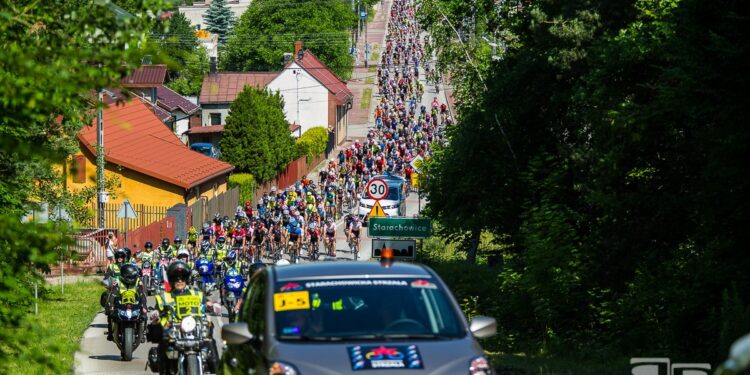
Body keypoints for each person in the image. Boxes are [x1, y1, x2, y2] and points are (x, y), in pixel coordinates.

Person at [149, 261, 218, 374]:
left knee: (210, 342)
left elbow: (205, 306)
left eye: (182, 278)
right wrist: (155, 315)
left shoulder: (197, 294)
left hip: (196, 329)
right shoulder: (164, 296)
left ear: (187, 279)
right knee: (163, 345)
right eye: (176, 278)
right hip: (173, 331)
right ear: (171, 280)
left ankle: (216, 371)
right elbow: (157, 312)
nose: (179, 281)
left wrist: (213, 306)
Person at [106, 263, 147, 341]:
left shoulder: (138, 282)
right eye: (129, 277)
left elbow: (142, 294)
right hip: (120, 302)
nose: (131, 279)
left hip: (134, 302)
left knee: (144, 314)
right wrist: (111, 305)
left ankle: (143, 332)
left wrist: (144, 306)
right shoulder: (117, 282)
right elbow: (112, 294)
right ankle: (110, 332)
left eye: (133, 277)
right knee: (110, 312)